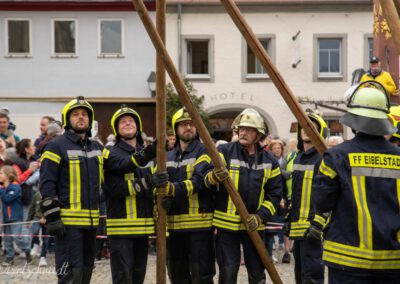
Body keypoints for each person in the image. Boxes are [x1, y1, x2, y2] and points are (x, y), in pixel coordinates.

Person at [39, 97, 157, 283]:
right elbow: (46, 184)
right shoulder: (56, 146)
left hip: (91, 225)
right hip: (68, 225)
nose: (81, 118)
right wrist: (52, 217)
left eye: (85, 114)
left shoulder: (98, 147)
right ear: (66, 119)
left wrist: (148, 153)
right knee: (71, 275)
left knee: (85, 273)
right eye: (76, 114)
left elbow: (121, 164)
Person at [310, 81, 400, 283]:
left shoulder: (336, 156)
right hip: (392, 260)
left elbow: (321, 201)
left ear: (354, 120)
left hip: (347, 259)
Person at [205, 108, 282, 284]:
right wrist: (214, 177)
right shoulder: (225, 151)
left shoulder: (270, 161)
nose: (243, 132)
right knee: (228, 272)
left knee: (257, 273)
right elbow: (208, 177)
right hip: (226, 227)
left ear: (259, 134)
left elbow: (275, 194)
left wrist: (260, 217)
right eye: (241, 128)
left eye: (249, 129)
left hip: (254, 226)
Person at [104, 105, 167, 283]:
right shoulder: (110, 152)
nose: (127, 123)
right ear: (116, 129)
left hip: (144, 228)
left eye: (131, 120)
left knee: (138, 277)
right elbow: (115, 189)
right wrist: (148, 182)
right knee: (124, 278)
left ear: (137, 127)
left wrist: (163, 199)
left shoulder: (149, 154)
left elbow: (155, 186)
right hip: (120, 229)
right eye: (122, 121)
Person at [163, 108, 215, 283]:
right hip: (174, 228)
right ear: (175, 129)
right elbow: (158, 185)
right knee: (177, 276)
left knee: (202, 277)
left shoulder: (205, 151)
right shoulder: (167, 156)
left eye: (192, 124)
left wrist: (171, 189)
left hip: (199, 227)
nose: (188, 127)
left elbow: (199, 180)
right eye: (183, 124)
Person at [285, 110, 328, 284]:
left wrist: (318, 223)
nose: (305, 130)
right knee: (300, 275)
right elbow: (295, 192)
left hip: (313, 229)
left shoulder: (323, 159)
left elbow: (327, 194)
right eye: (303, 126)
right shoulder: (298, 158)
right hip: (298, 228)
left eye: (311, 127)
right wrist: (289, 217)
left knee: (312, 276)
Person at [0, 165, 32, 266]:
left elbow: (7, 199)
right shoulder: (4, 187)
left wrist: (0, 189)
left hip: (15, 218)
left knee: (16, 237)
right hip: (6, 218)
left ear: (9, 175)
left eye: (1, 173)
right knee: (7, 239)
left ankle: (26, 249)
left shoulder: (15, 187)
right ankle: (9, 258)